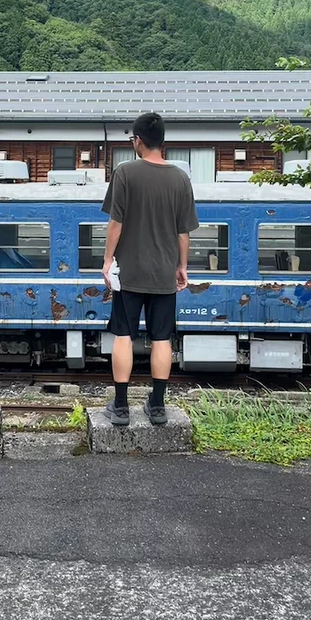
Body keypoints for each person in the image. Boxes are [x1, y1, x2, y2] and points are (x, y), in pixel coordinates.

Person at [101, 112, 199, 426]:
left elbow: (115, 223)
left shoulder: (125, 172)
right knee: (161, 339)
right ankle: (157, 406)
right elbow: (183, 232)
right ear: (163, 141)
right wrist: (181, 266)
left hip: (129, 273)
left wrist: (107, 261)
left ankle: (120, 407)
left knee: (123, 335)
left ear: (138, 141)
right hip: (163, 274)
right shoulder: (180, 178)